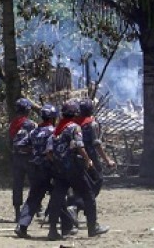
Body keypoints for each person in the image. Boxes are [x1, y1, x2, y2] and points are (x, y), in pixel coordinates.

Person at [46, 99, 108, 240]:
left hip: (59, 169)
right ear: (75, 114)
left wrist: (56, 162)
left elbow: (49, 151)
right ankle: (93, 228)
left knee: (57, 198)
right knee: (89, 195)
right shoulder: (74, 127)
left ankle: (53, 230)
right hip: (74, 169)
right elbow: (80, 146)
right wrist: (88, 160)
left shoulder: (57, 129)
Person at [15, 104, 75, 238]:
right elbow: (53, 151)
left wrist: (34, 151)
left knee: (33, 198)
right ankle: (65, 226)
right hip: (50, 169)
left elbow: (20, 145)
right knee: (58, 198)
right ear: (53, 118)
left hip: (36, 169)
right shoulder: (54, 132)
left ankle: (22, 225)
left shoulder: (34, 131)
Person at [9, 98, 37, 221]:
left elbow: (9, 141)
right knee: (35, 183)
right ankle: (35, 209)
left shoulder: (12, 124)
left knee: (17, 184)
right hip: (30, 157)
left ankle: (17, 213)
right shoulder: (31, 124)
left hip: (16, 157)